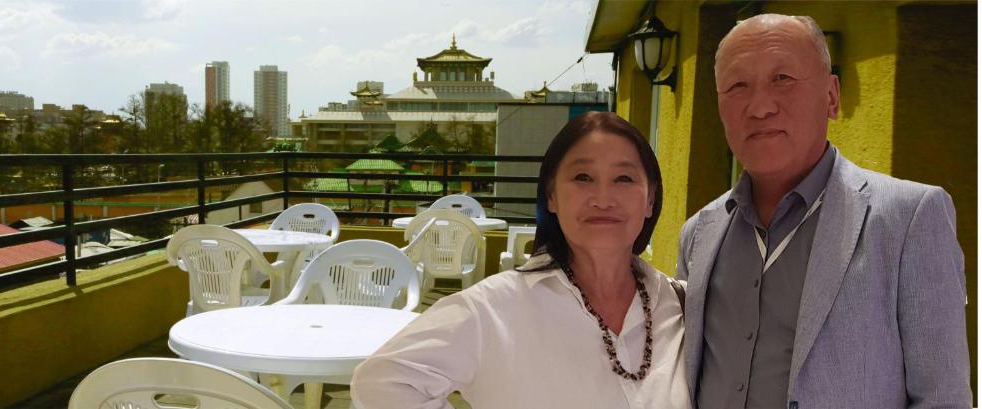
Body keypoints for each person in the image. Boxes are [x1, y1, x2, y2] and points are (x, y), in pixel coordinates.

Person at [676, 13, 971, 409]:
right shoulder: (699, 233)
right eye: (737, 85)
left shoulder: (909, 219)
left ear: (832, 96)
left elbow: (942, 397)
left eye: (783, 79)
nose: (760, 106)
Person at [351, 111, 689, 408]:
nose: (603, 198)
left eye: (624, 178)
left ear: (650, 200)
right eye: (583, 177)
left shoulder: (681, 304)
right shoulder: (494, 309)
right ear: (552, 196)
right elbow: (381, 384)